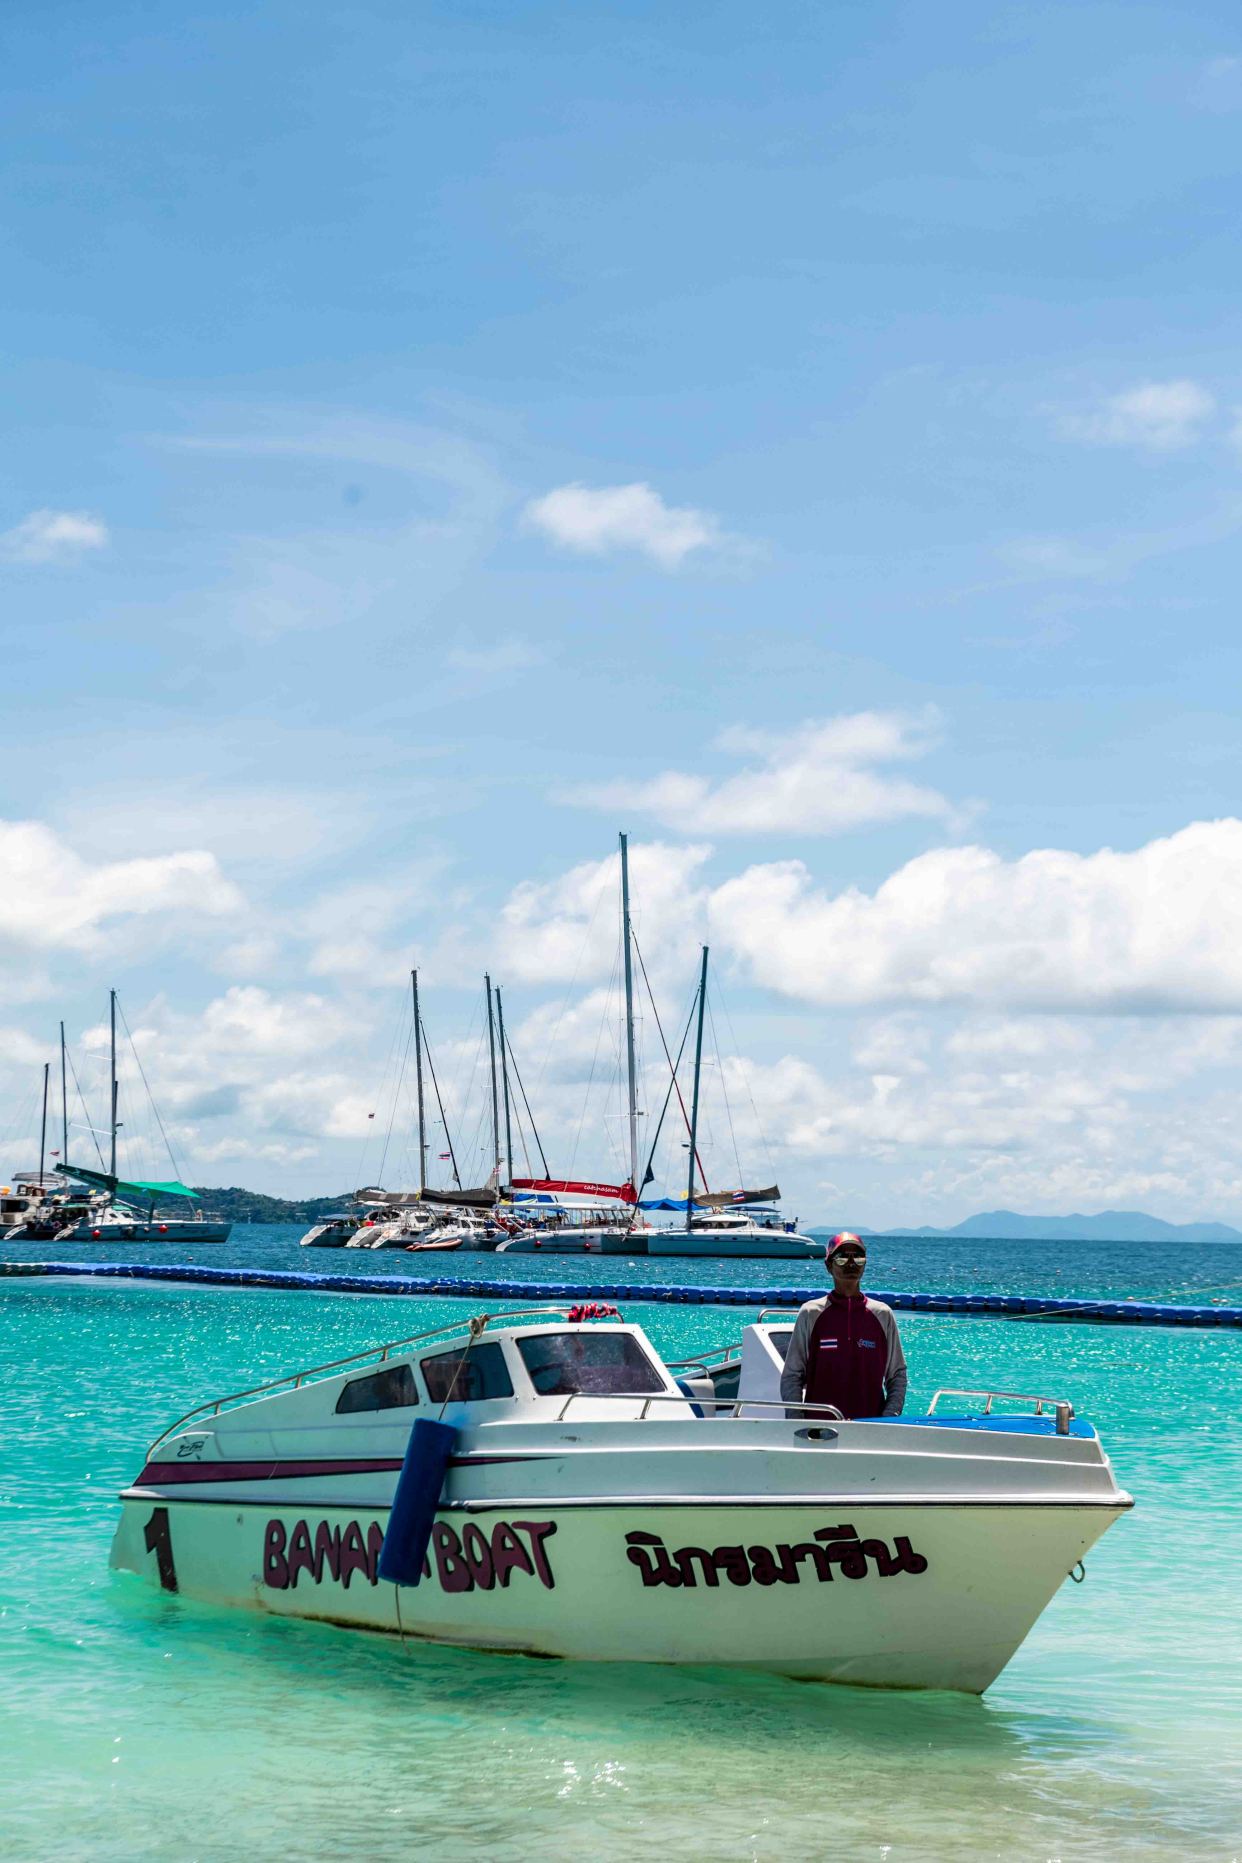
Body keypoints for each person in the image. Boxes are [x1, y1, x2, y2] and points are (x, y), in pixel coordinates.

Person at [779, 1232, 908, 1419]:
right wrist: (796, 1420)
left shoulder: (882, 1314)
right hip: (820, 1429)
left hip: (871, 1428)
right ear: (828, 1265)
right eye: (842, 1258)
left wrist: (888, 1418)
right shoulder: (811, 1313)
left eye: (858, 1257)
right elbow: (792, 1375)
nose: (851, 1263)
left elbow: (897, 1374)